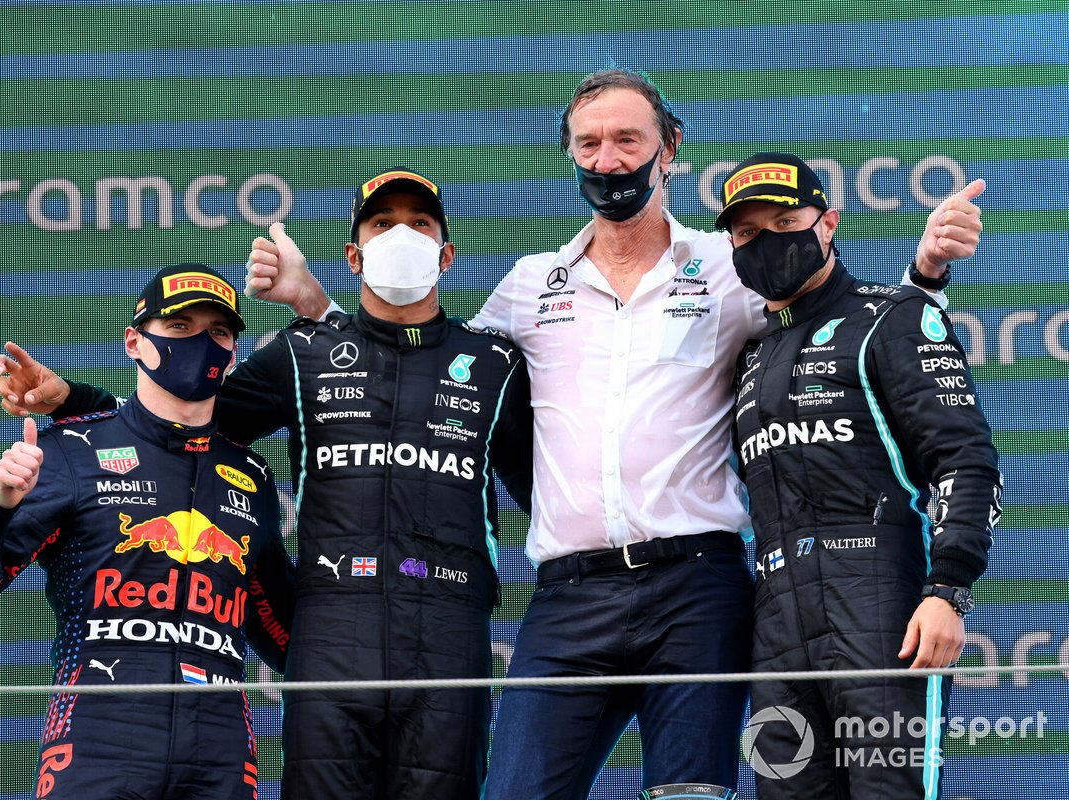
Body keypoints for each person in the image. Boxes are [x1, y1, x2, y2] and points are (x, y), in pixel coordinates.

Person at [243, 69, 986, 799]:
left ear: (671, 148)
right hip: (570, 596)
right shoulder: (531, 285)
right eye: (589, 142)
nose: (609, 158)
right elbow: (425, 359)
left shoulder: (729, 267)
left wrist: (923, 277)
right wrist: (318, 308)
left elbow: (834, 321)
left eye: (628, 139)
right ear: (569, 154)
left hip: (699, 586)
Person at [0, 168, 534, 800]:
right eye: (383, 224)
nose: (402, 236)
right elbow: (183, 413)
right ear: (354, 255)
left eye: (420, 224)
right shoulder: (302, 353)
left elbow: (547, 496)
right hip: (331, 628)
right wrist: (74, 401)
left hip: (450, 631)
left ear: (447, 254)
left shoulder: (496, 362)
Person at [0, 263, 296, 800]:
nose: (201, 343)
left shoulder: (252, 475)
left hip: (220, 751)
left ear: (233, 354)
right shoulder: (71, 450)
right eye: (179, 328)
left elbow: (281, 630)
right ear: (134, 341)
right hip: (96, 742)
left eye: (218, 332)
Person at [716, 152, 1000, 798]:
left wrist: (948, 589)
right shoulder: (750, 355)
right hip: (777, 622)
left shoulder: (891, 317)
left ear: (828, 223)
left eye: (785, 221)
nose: (767, 243)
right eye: (748, 235)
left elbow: (966, 459)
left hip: (881, 606)